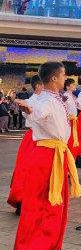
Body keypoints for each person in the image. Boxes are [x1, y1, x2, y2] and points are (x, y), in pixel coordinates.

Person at [13, 62, 81, 250]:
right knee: (41, 204)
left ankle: (39, 249)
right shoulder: (45, 100)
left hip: (53, 154)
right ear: (54, 78)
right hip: (47, 156)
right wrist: (29, 111)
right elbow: (37, 111)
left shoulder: (53, 98)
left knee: (50, 204)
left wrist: (30, 110)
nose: (65, 78)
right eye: (63, 75)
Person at [7, 76, 44, 213]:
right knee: (26, 169)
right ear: (38, 86)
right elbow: (29, 114)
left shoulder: (46, 100)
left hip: (42, 138)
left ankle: (33, 201)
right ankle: (22, 200)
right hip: (34, 138)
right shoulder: (31, 101)